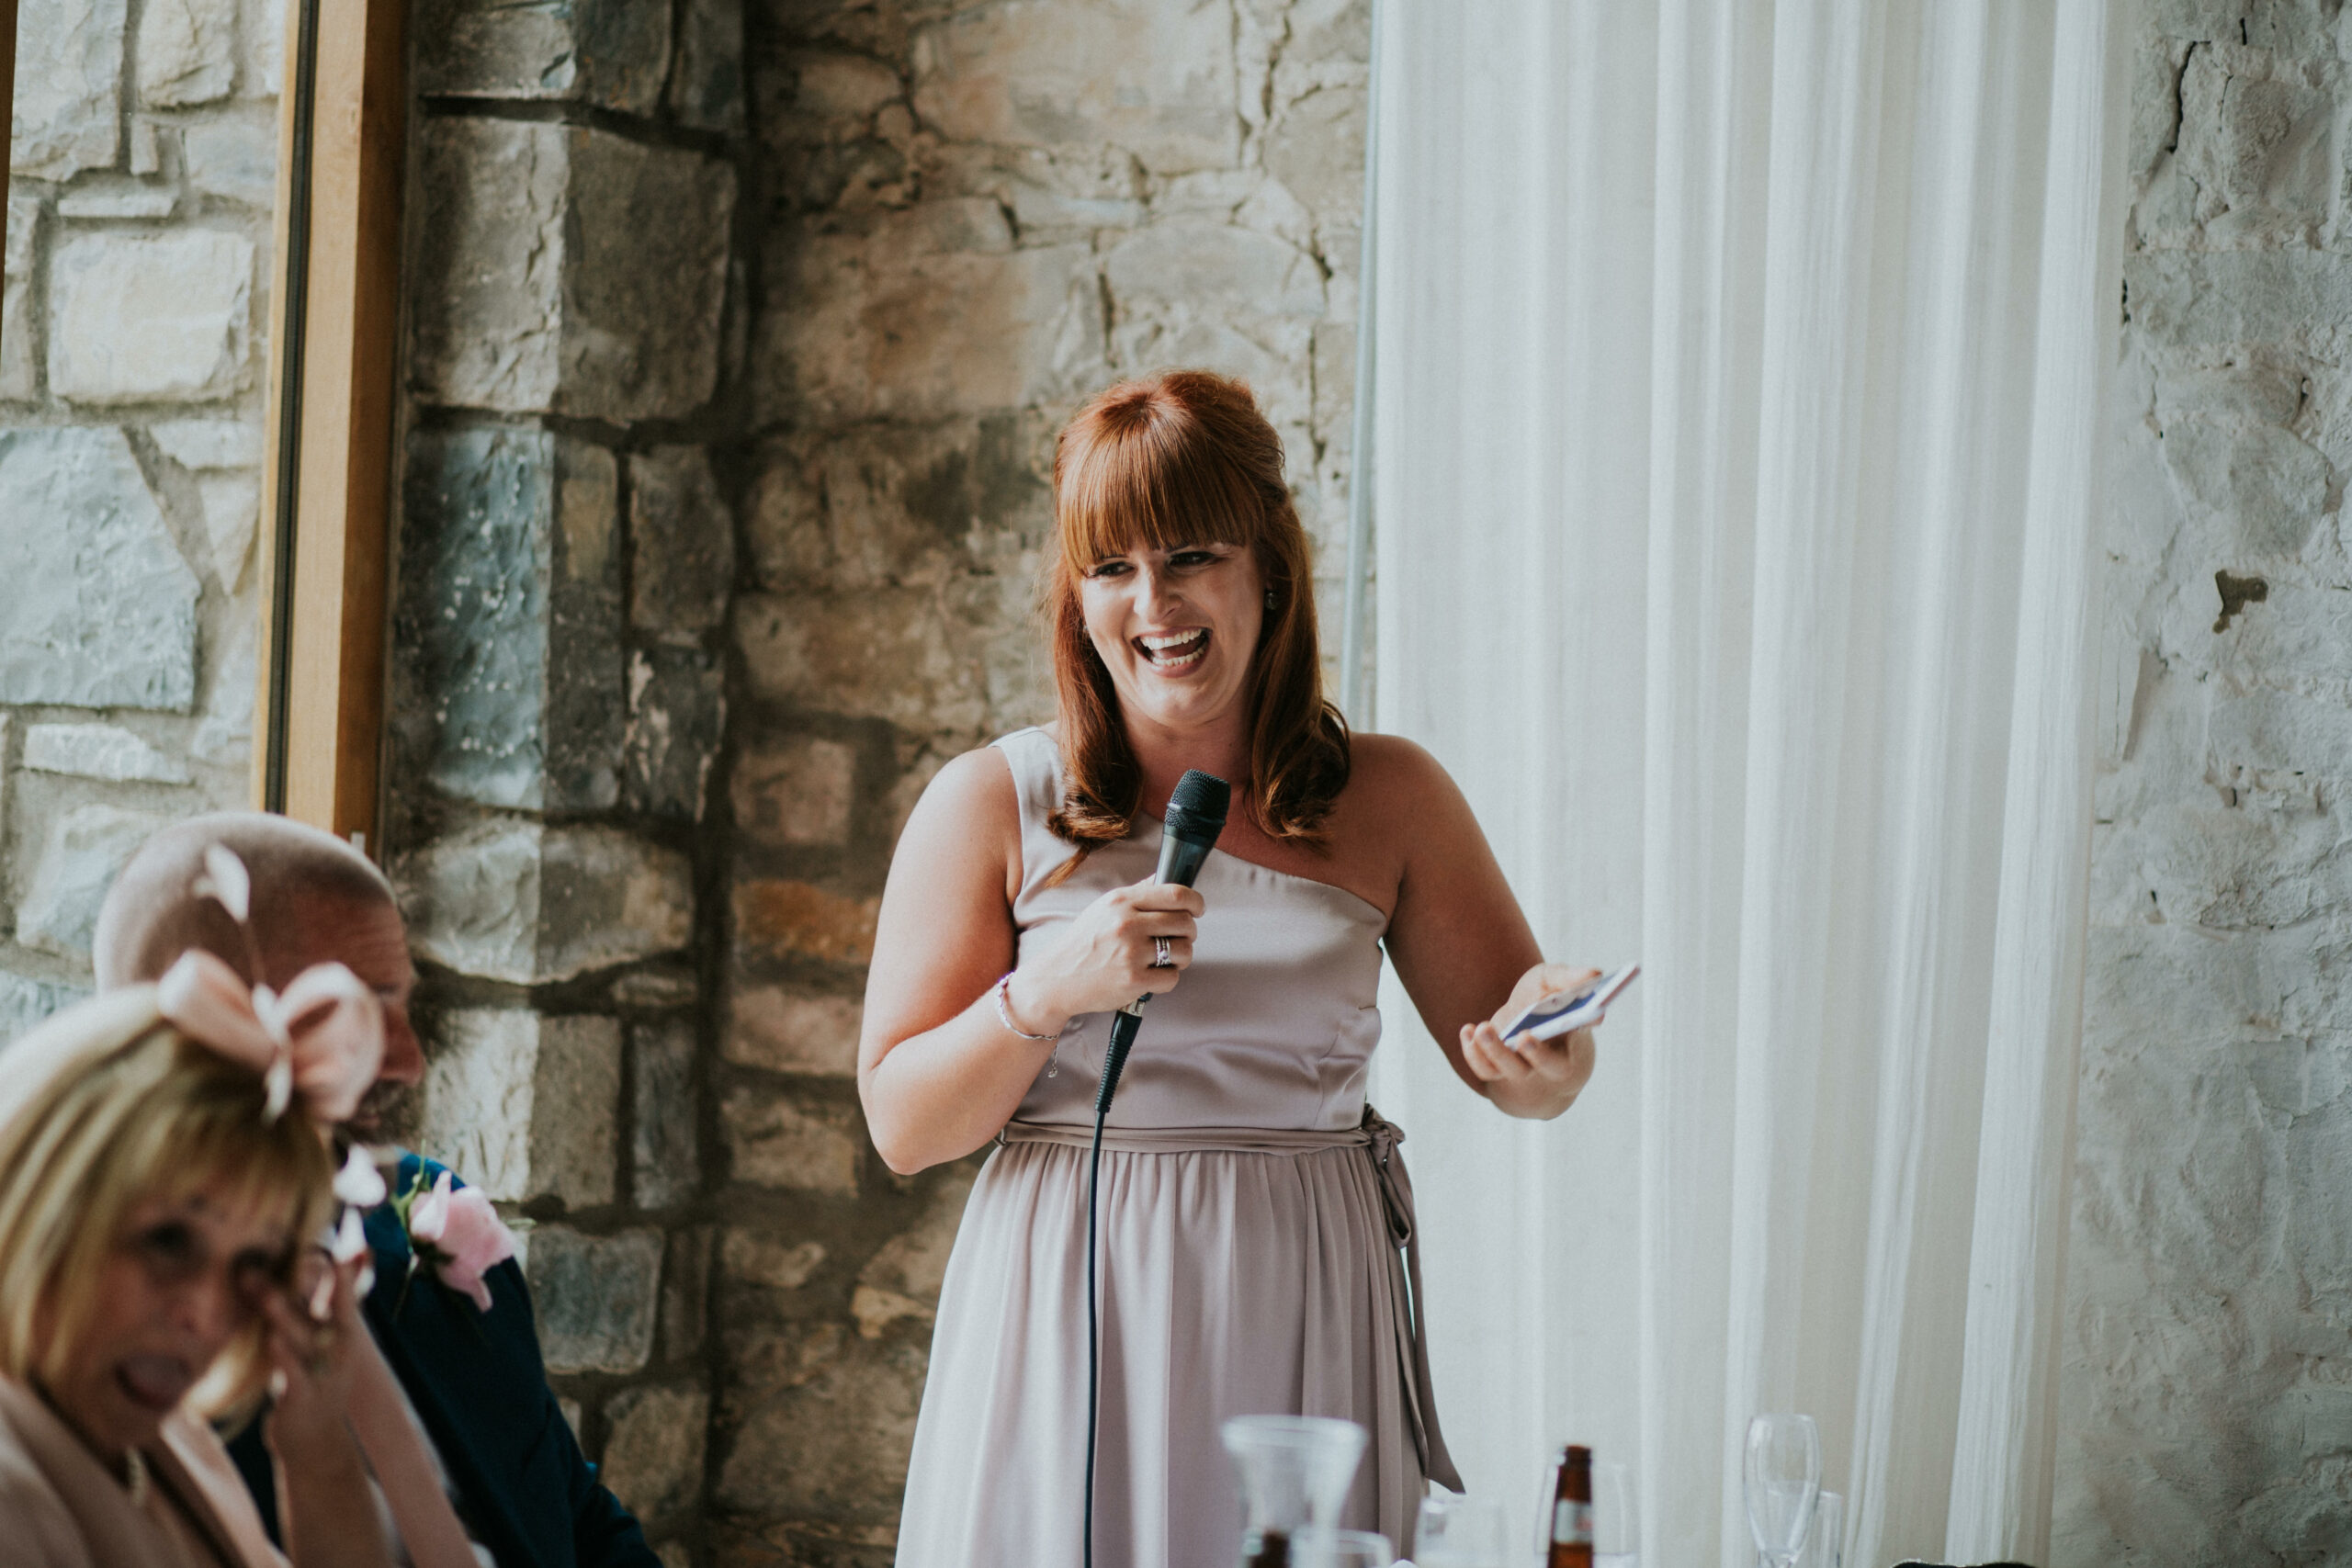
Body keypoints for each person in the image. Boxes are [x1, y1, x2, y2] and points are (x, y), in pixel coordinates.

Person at [865, 370, 1605, 1565]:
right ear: (1077, 595)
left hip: (1305, 1295)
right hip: (1068, 1306)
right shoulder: (989, 803)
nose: (1152, 602)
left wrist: (1551, 1052)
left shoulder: (1394, 794)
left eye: (1189, 554)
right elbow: (902, 1123)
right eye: (1112, 568)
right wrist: (1046, 992)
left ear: (1267, 562)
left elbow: (1521, 1068)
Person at [93, 813, 660, 1568]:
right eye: (361, 1011)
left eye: (404, 1004)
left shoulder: (434, 1211)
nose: (411, 1060)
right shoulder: (121, 1338)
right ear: (218, 1021)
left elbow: (576, 1511)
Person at [0, 967, 392, 1567]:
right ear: (47, 1196)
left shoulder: (168, 1442)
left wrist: (316, 1447)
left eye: (255, 1260)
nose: (209, 1313)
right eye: (169, 1239)